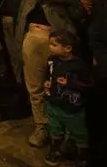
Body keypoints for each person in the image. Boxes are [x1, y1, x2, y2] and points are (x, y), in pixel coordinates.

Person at [44, 30, 92, 166]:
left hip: (72, 107)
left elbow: (88, 84)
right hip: (54, 103)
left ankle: (82, 155)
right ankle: (56, 150)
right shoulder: (51, 60)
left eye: (54, 45)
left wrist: (70, 83)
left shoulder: (78, 65)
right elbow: (50, 75)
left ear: (67, 48)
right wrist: (48, 83)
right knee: (54, 127)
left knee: (78, 132)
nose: (50, 47)